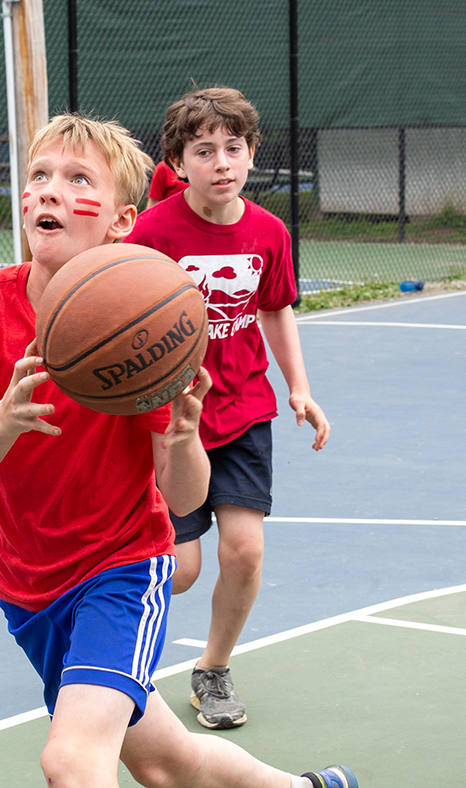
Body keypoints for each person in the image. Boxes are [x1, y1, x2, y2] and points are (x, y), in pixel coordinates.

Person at [0, 113, 355, 788]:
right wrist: (5, 419)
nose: (49, 191)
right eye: (39, 175)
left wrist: (184, 436)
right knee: (166, 762)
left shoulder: (145, 322)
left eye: (77, 180)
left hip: (121, 568)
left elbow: (185, 498)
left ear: (121, 221)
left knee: (72, 760)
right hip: (26, 585)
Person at [126, 87, 331, 731]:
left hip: (243, 408)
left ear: (252, 154)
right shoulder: (153, 232)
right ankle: (112, 658)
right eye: (204, 150)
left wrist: (298, 385)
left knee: (244, 551)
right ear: (180, 163)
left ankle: (211, 668)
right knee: (179, 570)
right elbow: (123, 312)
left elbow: (274, 307)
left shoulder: (268, 232)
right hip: (172, 417)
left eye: (233, 148)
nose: (221, 162)